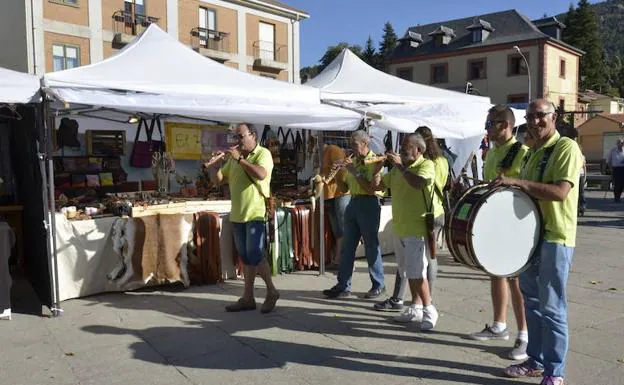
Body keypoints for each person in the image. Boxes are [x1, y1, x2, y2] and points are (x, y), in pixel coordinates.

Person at [493, 99, 582, 385]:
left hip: (556, 237)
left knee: (553, 307)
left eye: (540, 115)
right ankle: (536, 360)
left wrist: (518, 183)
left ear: (553, 117)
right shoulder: (532, 153)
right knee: (531, 302)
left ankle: (555, 372)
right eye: (530, 116)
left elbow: (559, 192)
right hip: (531, 238)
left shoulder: (566, 147)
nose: (534, 120)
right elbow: (526, 197)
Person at [467, 105, 530, 361]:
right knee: (496, 273)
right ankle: (499, 325)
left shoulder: (521, 152)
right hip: (494, 223)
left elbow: (526, 188)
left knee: (516, 281)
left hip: (515, 225)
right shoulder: (493, 153)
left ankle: (524, 335)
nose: (487, 129)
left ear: (505, 125)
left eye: (490, 124)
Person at [374, 126, 448, 323]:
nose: (403, 149)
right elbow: (378, 185)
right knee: (406, 270)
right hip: (400, 227)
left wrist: (399, 166)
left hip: (418, 227)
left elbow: (419, 183)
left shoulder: (426, 166)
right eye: (403, 145)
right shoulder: (400, 169)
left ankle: (429, 309)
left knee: (417, 272)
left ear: (419, 150)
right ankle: (415, 307)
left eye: (407, 147)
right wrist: (376, 167)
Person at [208, 123, 279, 313]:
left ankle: (271, 291)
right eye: (236, 138)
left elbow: (261, 174)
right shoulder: (233, 159)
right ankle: (248, 297)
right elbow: (219, 181)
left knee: (255, 254)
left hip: (255, 213)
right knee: (246, 257)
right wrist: (214, 165)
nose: (237, 141)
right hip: (238, 214)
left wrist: (240, 160)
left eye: (240, 137)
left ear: (252, 135)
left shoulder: (263, 153)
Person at [322, 130, 385, 299]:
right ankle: (343, 285)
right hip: (353, 202)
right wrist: (338, 175)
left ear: (365, 144)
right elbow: (345, 189)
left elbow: (371, 188)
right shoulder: (353, 161)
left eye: (354, 144)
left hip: (369, 203)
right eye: (351, 144)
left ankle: (378, 284)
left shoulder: (376, 161)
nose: (351, 148)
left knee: (371, 246)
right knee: (347, 246)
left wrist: (355, 172)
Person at [321, 144, 351, 267]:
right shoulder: (323, 153)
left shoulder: (333, 149)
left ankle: (347, 260)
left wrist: (327, 177)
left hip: (340, 193)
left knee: (344, 228)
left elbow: (342, 171)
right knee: (337, 230)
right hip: (330, 194)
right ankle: (338, 259)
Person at [606, 137, 624, 202]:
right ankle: (616, 198)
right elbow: (609, 160)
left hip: (623, 169)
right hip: (616, 169)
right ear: (617, 144)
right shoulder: (613, 150)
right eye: (619, 143)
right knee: (616, 184)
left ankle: (619, 196)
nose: (621, 144)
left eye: (622, 143)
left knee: (622, 184)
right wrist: (611, 169)